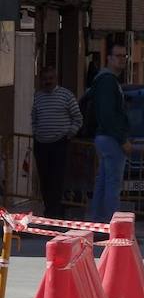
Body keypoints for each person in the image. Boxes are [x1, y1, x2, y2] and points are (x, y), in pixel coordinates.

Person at [31, 65, 83, 218]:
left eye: (51, 78)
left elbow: (78, 118)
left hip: (59, 144)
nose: (48, 81)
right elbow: (34, 118)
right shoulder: (37, 96)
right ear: (41, 80)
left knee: (57, 179)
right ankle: (49, 210)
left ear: (56, 79)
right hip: (41, 144)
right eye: (45, 79)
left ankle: (55, 212)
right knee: (44, 179)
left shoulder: (66, 96)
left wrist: (69, 134)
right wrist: (36, 133)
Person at [89, 44, 130, 223]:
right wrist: (122, 139)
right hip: (111, 138)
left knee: (104, 182)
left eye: (124, 56)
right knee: (112, 183)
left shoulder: (105, 80)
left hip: (105, 136)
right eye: (118, 56)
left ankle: (99, 222)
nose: (122, 59)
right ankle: (111, 225)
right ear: (109, 58)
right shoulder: (107, 81)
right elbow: (108, 114)